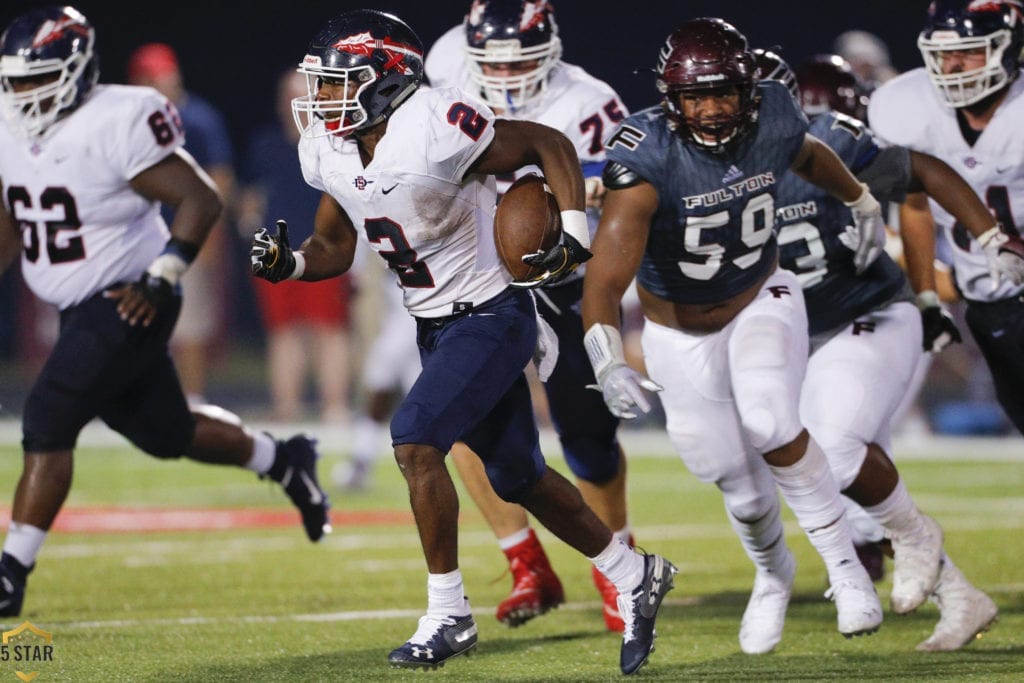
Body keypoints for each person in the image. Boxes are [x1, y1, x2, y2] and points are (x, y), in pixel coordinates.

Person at [249, 9, 675, 674]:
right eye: (321, 84)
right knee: (519, 475)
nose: (320, 98)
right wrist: (294, 264)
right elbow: (334, 241)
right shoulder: (329, 144)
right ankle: (634, 571)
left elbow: (546, 145)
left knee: (416, 437)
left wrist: (567, 230)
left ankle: (448, 613)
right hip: (432, 320)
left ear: (385, 81)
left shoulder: (434, 123)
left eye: (337, 83)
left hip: (493, 314)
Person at [0, 5, 331, 618]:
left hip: (134, 291)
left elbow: (199, 197)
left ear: (74, 72)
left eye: (35, 79)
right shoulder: (10, 123)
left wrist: (165, 273)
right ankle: (283, 459)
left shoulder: (117, 117)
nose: (22, 94)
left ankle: (10, 572)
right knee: (164, 433)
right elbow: (14, 212)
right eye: (13, 80)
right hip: (78, 302)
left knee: (48, 417)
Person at [582, 17, 891, 647]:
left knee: (773, 420)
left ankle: (845, 569)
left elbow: (806, 153)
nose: (713, 109)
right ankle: (773, 575)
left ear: (749, 89)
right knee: (728, 476)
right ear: (672, 100)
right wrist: (608, 361)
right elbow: (604, 283)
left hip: (762, 296)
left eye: (724, 92)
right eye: (696, 96)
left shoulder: (776, 112)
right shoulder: (646, 159)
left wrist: (860, 198)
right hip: (677, 332)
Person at [761, 49, 999, 653]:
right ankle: (959, 595)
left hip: (865, 313)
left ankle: (912, 542)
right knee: (829, 471)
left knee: (831, 451)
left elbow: (920, 179)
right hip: (794, 333)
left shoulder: (828, 141)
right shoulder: (701, 163)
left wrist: (986, 235)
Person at [425, 0, 634, 632]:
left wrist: (583, 189)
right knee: (458, 418)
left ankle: (615, 567)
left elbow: (626, 185)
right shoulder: (443, 64)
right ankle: (526, 565)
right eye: (494, 64)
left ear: (552, 54)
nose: (509, 78)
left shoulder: (588, 101)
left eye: (523, 63)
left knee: (588, 442)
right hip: (476, 275)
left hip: (562, 274)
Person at [868, 0, 1024, 435]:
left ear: (1009, 48)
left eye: (970, 51)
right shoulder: (908, 107)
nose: (954, 66)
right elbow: (914, 206)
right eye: (944, 53)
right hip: (988, 304)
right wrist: (929, 299)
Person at [236, 69, 353, 423]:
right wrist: (250, 224)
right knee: (283, 332)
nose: (293, 105)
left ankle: (335, 406)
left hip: (324, 246)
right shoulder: (265, 143)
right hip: (274, 248)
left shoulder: (337, 142)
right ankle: (286, 407)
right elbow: (250, 194)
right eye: (288, 96)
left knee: (328, 330)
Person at [127, 42, 235, 406]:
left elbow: (220, 180)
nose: (160, 85)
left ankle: (191, 398)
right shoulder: (129, 120)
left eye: (162, 77)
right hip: (138, 235)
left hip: (183, 235)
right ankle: (136, 396)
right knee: (137, 319)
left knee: (190, 326)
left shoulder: (199, 119)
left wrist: (208, 238)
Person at [832, 30, 899, 90]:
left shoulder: (885, 82)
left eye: (865, 66)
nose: (861, 69)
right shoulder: (839, 88)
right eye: (855, 61)